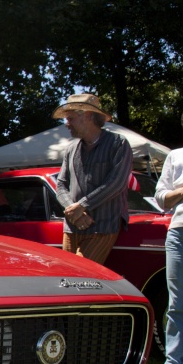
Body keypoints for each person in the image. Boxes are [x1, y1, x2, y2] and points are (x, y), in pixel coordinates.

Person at [53, 94, 133, 264]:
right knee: (67, 278)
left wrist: (82, 206)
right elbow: (60, 184)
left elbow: (116, 183)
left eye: (70, 118)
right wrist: (74, 210)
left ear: (88, 116)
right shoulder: (71, 149)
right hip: (73, 226)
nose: (66, 124)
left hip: (103, 226)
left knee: (79, 276)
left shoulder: (118, 143)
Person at [152, 102, 183, 364]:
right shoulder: (176, 156)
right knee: (176, 303)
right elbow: (160, 198)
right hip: (179, 232)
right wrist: (182, 191)